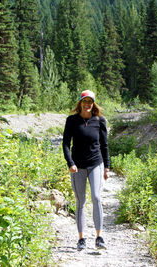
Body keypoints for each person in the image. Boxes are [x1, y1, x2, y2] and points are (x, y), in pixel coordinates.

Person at [62, 89, 110, 250]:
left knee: (96, 197)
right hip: (77, 167)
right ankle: (81, 238)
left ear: (93, 103)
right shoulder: (72, 120)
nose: (87, 104)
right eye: (85, 101)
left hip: (96, 163)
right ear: (80, 103)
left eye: (90, 102)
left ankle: (99, 237)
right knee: (80, 201)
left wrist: (107, 167)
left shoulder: (100, 121)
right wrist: (70, 163)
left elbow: (104, 145)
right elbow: (66, 144)